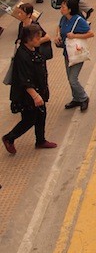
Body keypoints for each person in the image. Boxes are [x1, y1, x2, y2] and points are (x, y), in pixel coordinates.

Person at [2, 24, 57, 155]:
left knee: (41, 115)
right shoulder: (22, 55)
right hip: (28, 95)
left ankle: (40, 140)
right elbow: (24, 80)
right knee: (29, 119)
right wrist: (35, 96)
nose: (39, 40)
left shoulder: (33, 49)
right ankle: (9, 138)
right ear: (28, 39)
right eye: (37, 38)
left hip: (39, 90)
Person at [56, 0, 93, 112]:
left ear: (70, 9)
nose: (61, 9)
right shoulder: (63, 18)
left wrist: (75, 36)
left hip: (77, 53)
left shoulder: (78, 20)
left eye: (63, 7)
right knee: (69, 78)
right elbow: (59, 27)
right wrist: (57, 35)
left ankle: (83, 97)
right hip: (67, 53)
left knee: (73, 79)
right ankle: (76, 98)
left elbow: (91, 33)